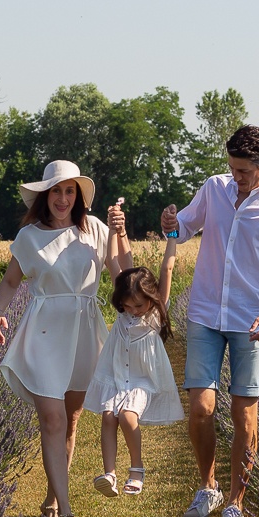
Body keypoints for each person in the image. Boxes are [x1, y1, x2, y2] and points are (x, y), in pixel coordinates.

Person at [161, 125, 259, 517]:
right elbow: (184, 228)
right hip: (206, 313)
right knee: (200, 408)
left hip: (253, 321)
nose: (236, 178)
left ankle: (235, 501)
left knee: (245, 414)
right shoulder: (215, 188)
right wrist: (170, 223)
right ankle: (208, 488)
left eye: (244, 171)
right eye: (232, 168)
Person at [0, 160, 127, 517]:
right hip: (45, 331)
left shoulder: (95, 230)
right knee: (51, 418)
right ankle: (67, 512)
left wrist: (121, 233)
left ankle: (53, 496)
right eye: (56, 191)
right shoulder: (29, 237)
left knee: (70, 422)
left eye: (70, 191)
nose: (63, 198)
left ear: (79, 196)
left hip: (84, 329)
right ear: (44, 195)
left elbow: (121, 276)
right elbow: (10, 281)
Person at [84, 212, 185, 498]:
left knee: (128, 417)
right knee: (107, 415)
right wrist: (114, 231)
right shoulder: (125, 306)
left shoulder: (155, 313)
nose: (133, 311)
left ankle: (137, 469)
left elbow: (167, 267)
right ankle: (109, 474)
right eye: (127, 306)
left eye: (138, 306)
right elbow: (113, 261)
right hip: (116, 374)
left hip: (142, 378)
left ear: (150, 300)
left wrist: (173, 236)